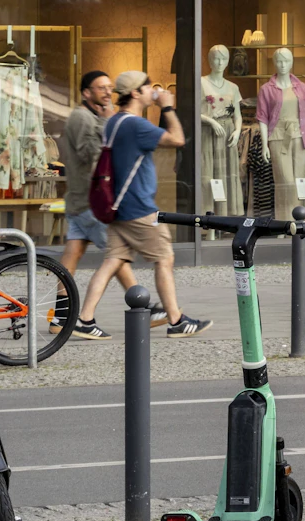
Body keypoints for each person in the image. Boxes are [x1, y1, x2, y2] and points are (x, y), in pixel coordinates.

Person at [72, 72, 211, 339]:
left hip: (117, 206)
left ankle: (84, 319)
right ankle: (176, 320)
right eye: (148, 87)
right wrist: (167, 107)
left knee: (112, 261)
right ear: (135, 93)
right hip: (139, 208)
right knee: (164, 258)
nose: (153, 90)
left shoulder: (115, 122)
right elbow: (178, 140)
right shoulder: (136, 125)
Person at [55, 70, 153, 332]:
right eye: (101, 88)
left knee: (73, 254)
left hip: (81, 199)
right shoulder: (81, 117)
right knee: (117, 255)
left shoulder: (93, 116)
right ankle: (142, 307)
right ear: (86, 93)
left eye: (109, 87)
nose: (108, 92)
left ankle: (60, 317)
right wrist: (108, 124)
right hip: (91, 201)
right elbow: (91, 155)